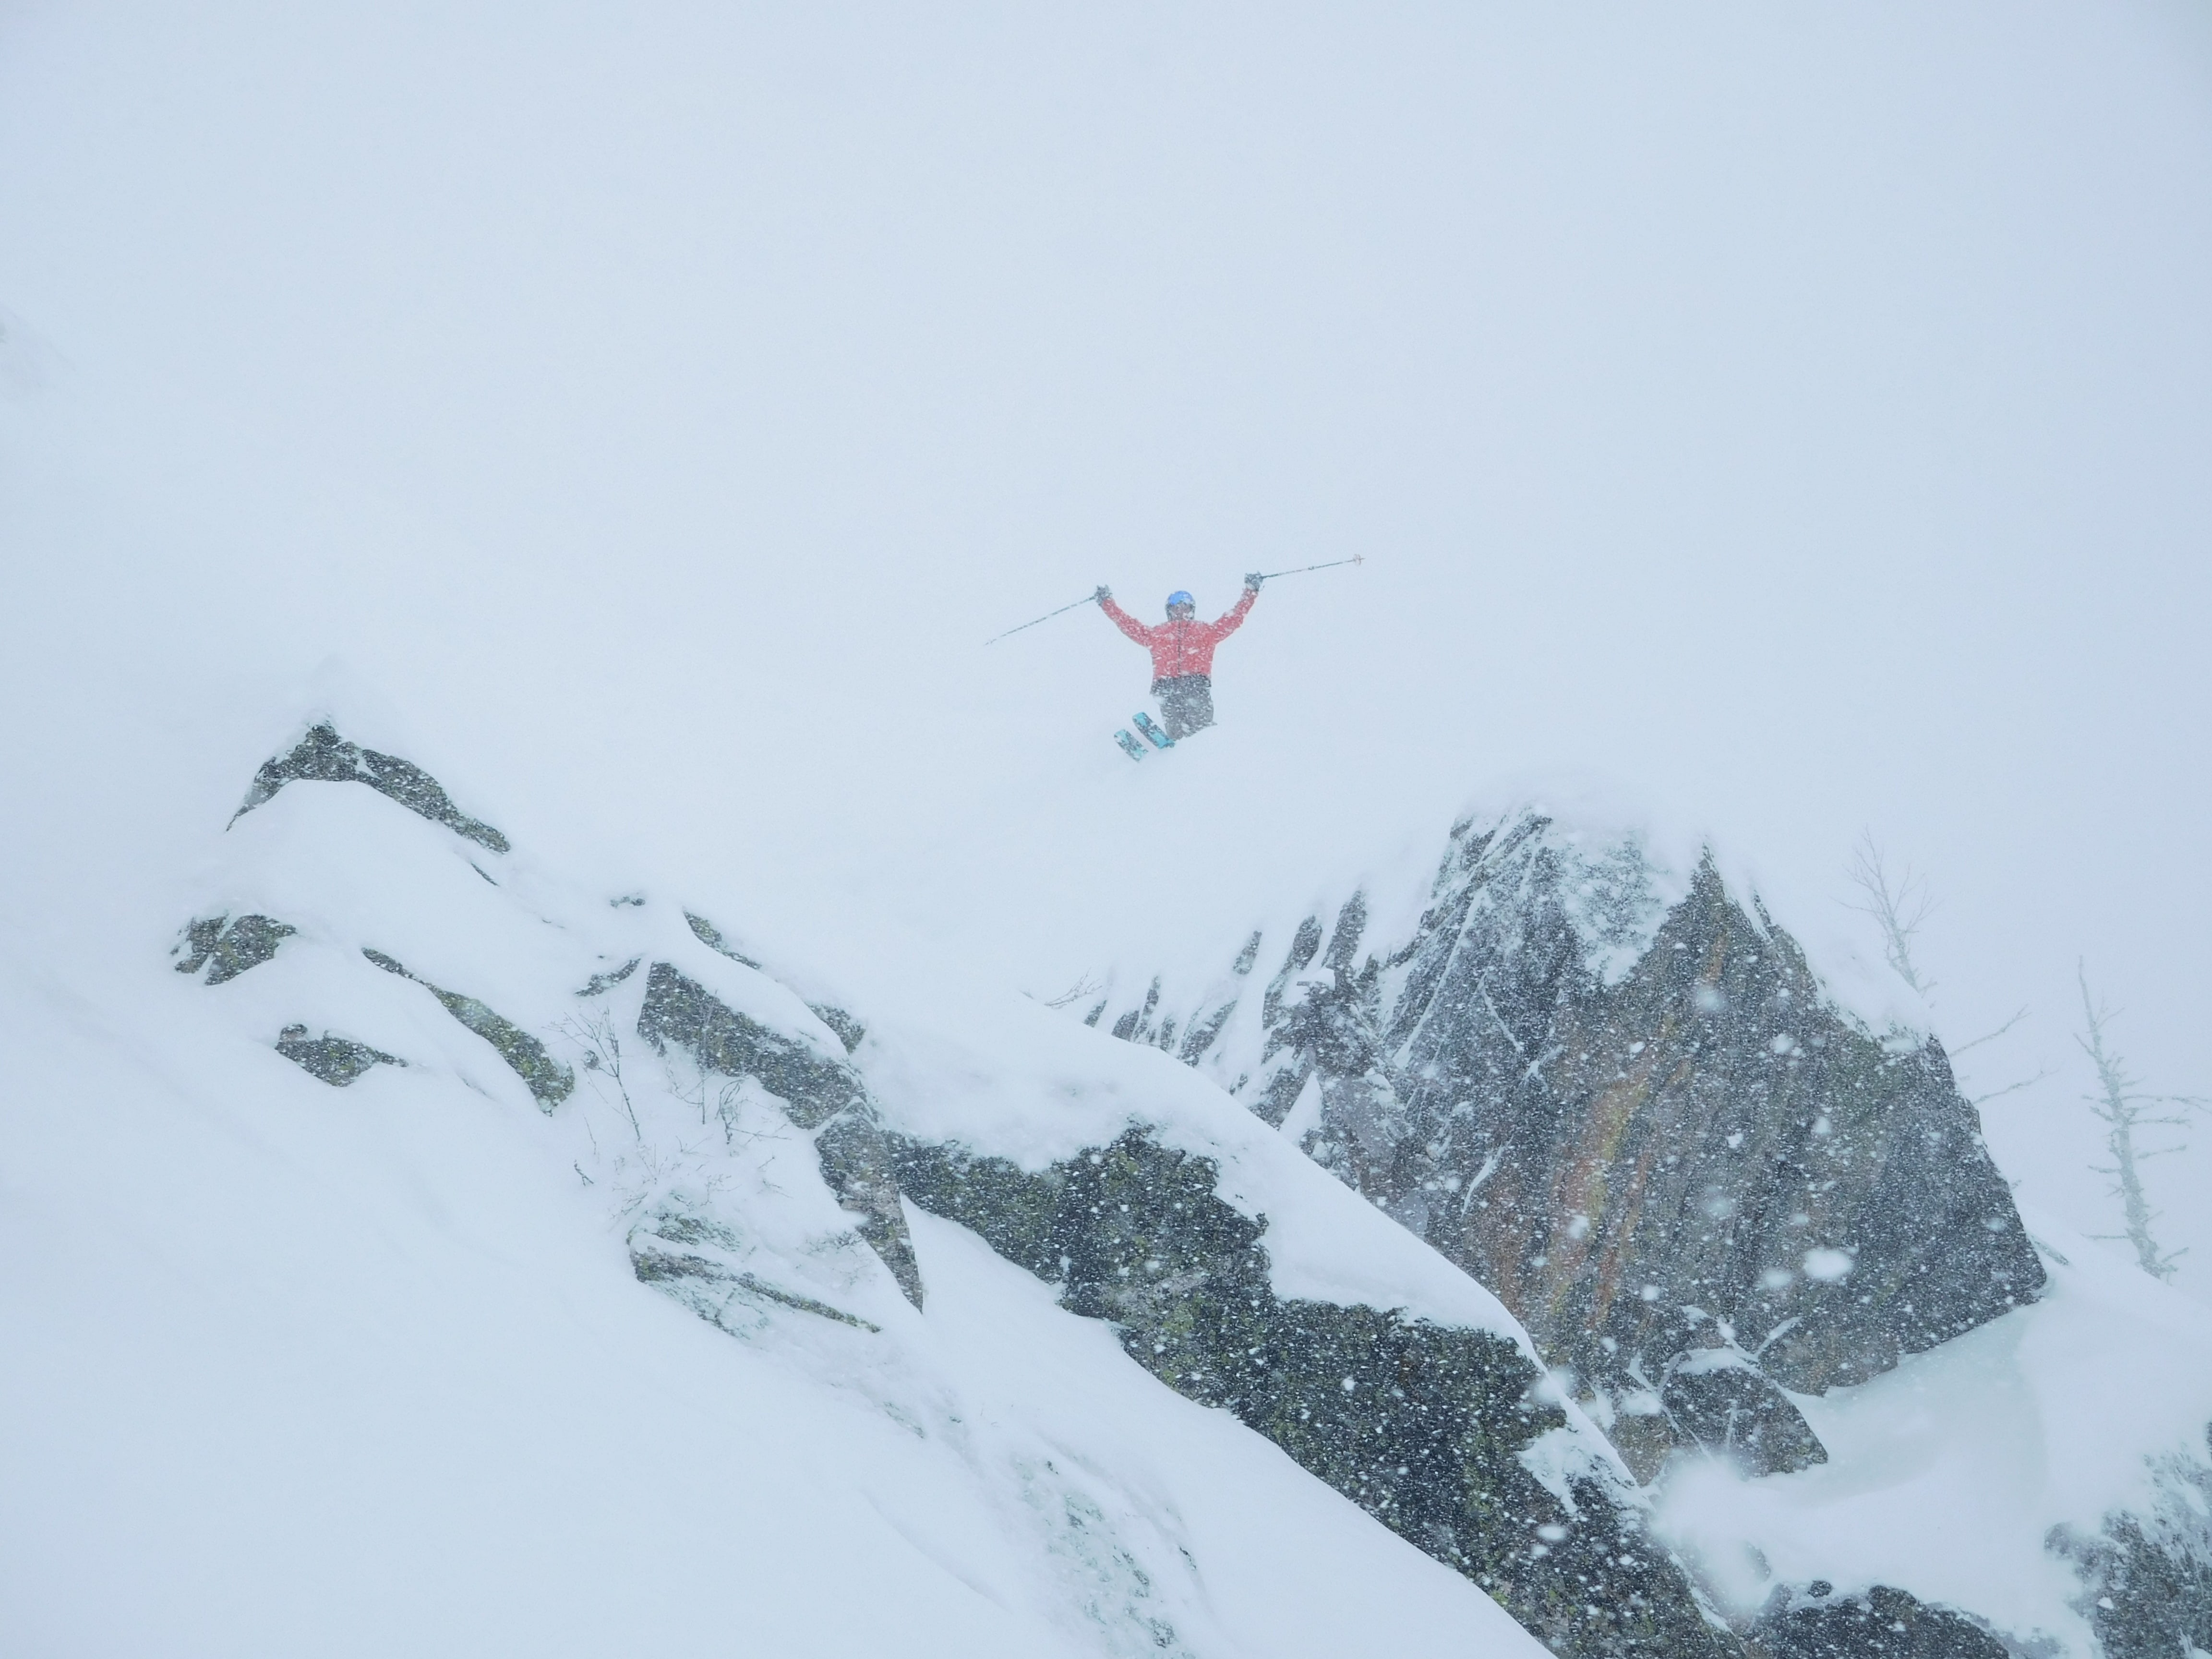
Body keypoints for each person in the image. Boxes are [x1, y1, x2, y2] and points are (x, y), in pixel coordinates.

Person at [1094, 574, 1263, 740]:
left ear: (1192, 610)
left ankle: (1209, 748)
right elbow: (1129, 625)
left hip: (1195, 686)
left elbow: (1233, 619)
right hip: (1167, 688)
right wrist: (1107, 604)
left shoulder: (1205, 632)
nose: (1181, 610)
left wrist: (1250, 592)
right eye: (1176, 607)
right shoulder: (1157, 634)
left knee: (1201, 732)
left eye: (1186, 607)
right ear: (1170, 610)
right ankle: (1176, 755)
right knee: (1177, 733)